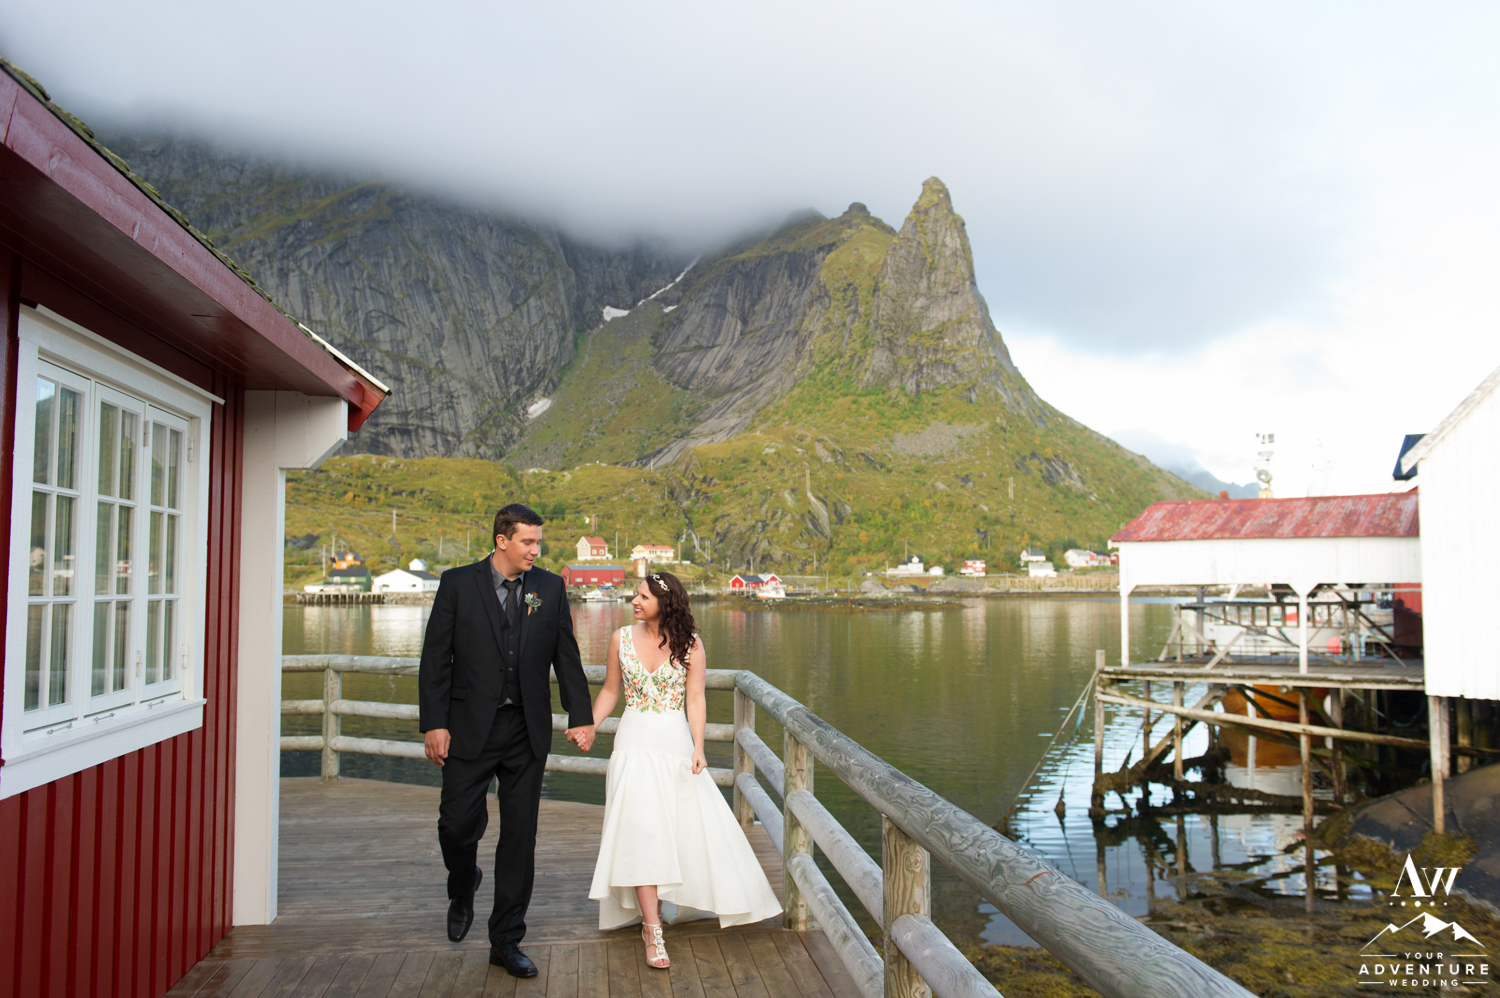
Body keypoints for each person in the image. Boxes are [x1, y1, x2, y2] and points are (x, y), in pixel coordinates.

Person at [418, 504, 596, 978]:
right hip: (467, 727)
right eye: (528, 542)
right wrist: (434, 723)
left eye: (538, 542)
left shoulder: (550, 588)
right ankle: (463, 883)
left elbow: (566, 655)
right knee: (456, 825)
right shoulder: (457, 584)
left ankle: (506, 940)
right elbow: (435, 657)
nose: (536, 550)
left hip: (526, 729)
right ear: (502, 540)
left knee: (519, 837)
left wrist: (580, 716)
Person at [577, 571, 781, 969]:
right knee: (640, 832)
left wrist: (699, 746)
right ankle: (651, 928)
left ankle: (679, 903)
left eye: (643, 597)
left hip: (674, 743)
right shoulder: (620, 638)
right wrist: (591, 726)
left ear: (665, 603)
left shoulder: (691, 645)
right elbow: (611, 690)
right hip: (633, 743)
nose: (634, 601)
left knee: (679, 827)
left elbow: (696, 700)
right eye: (635, 595)